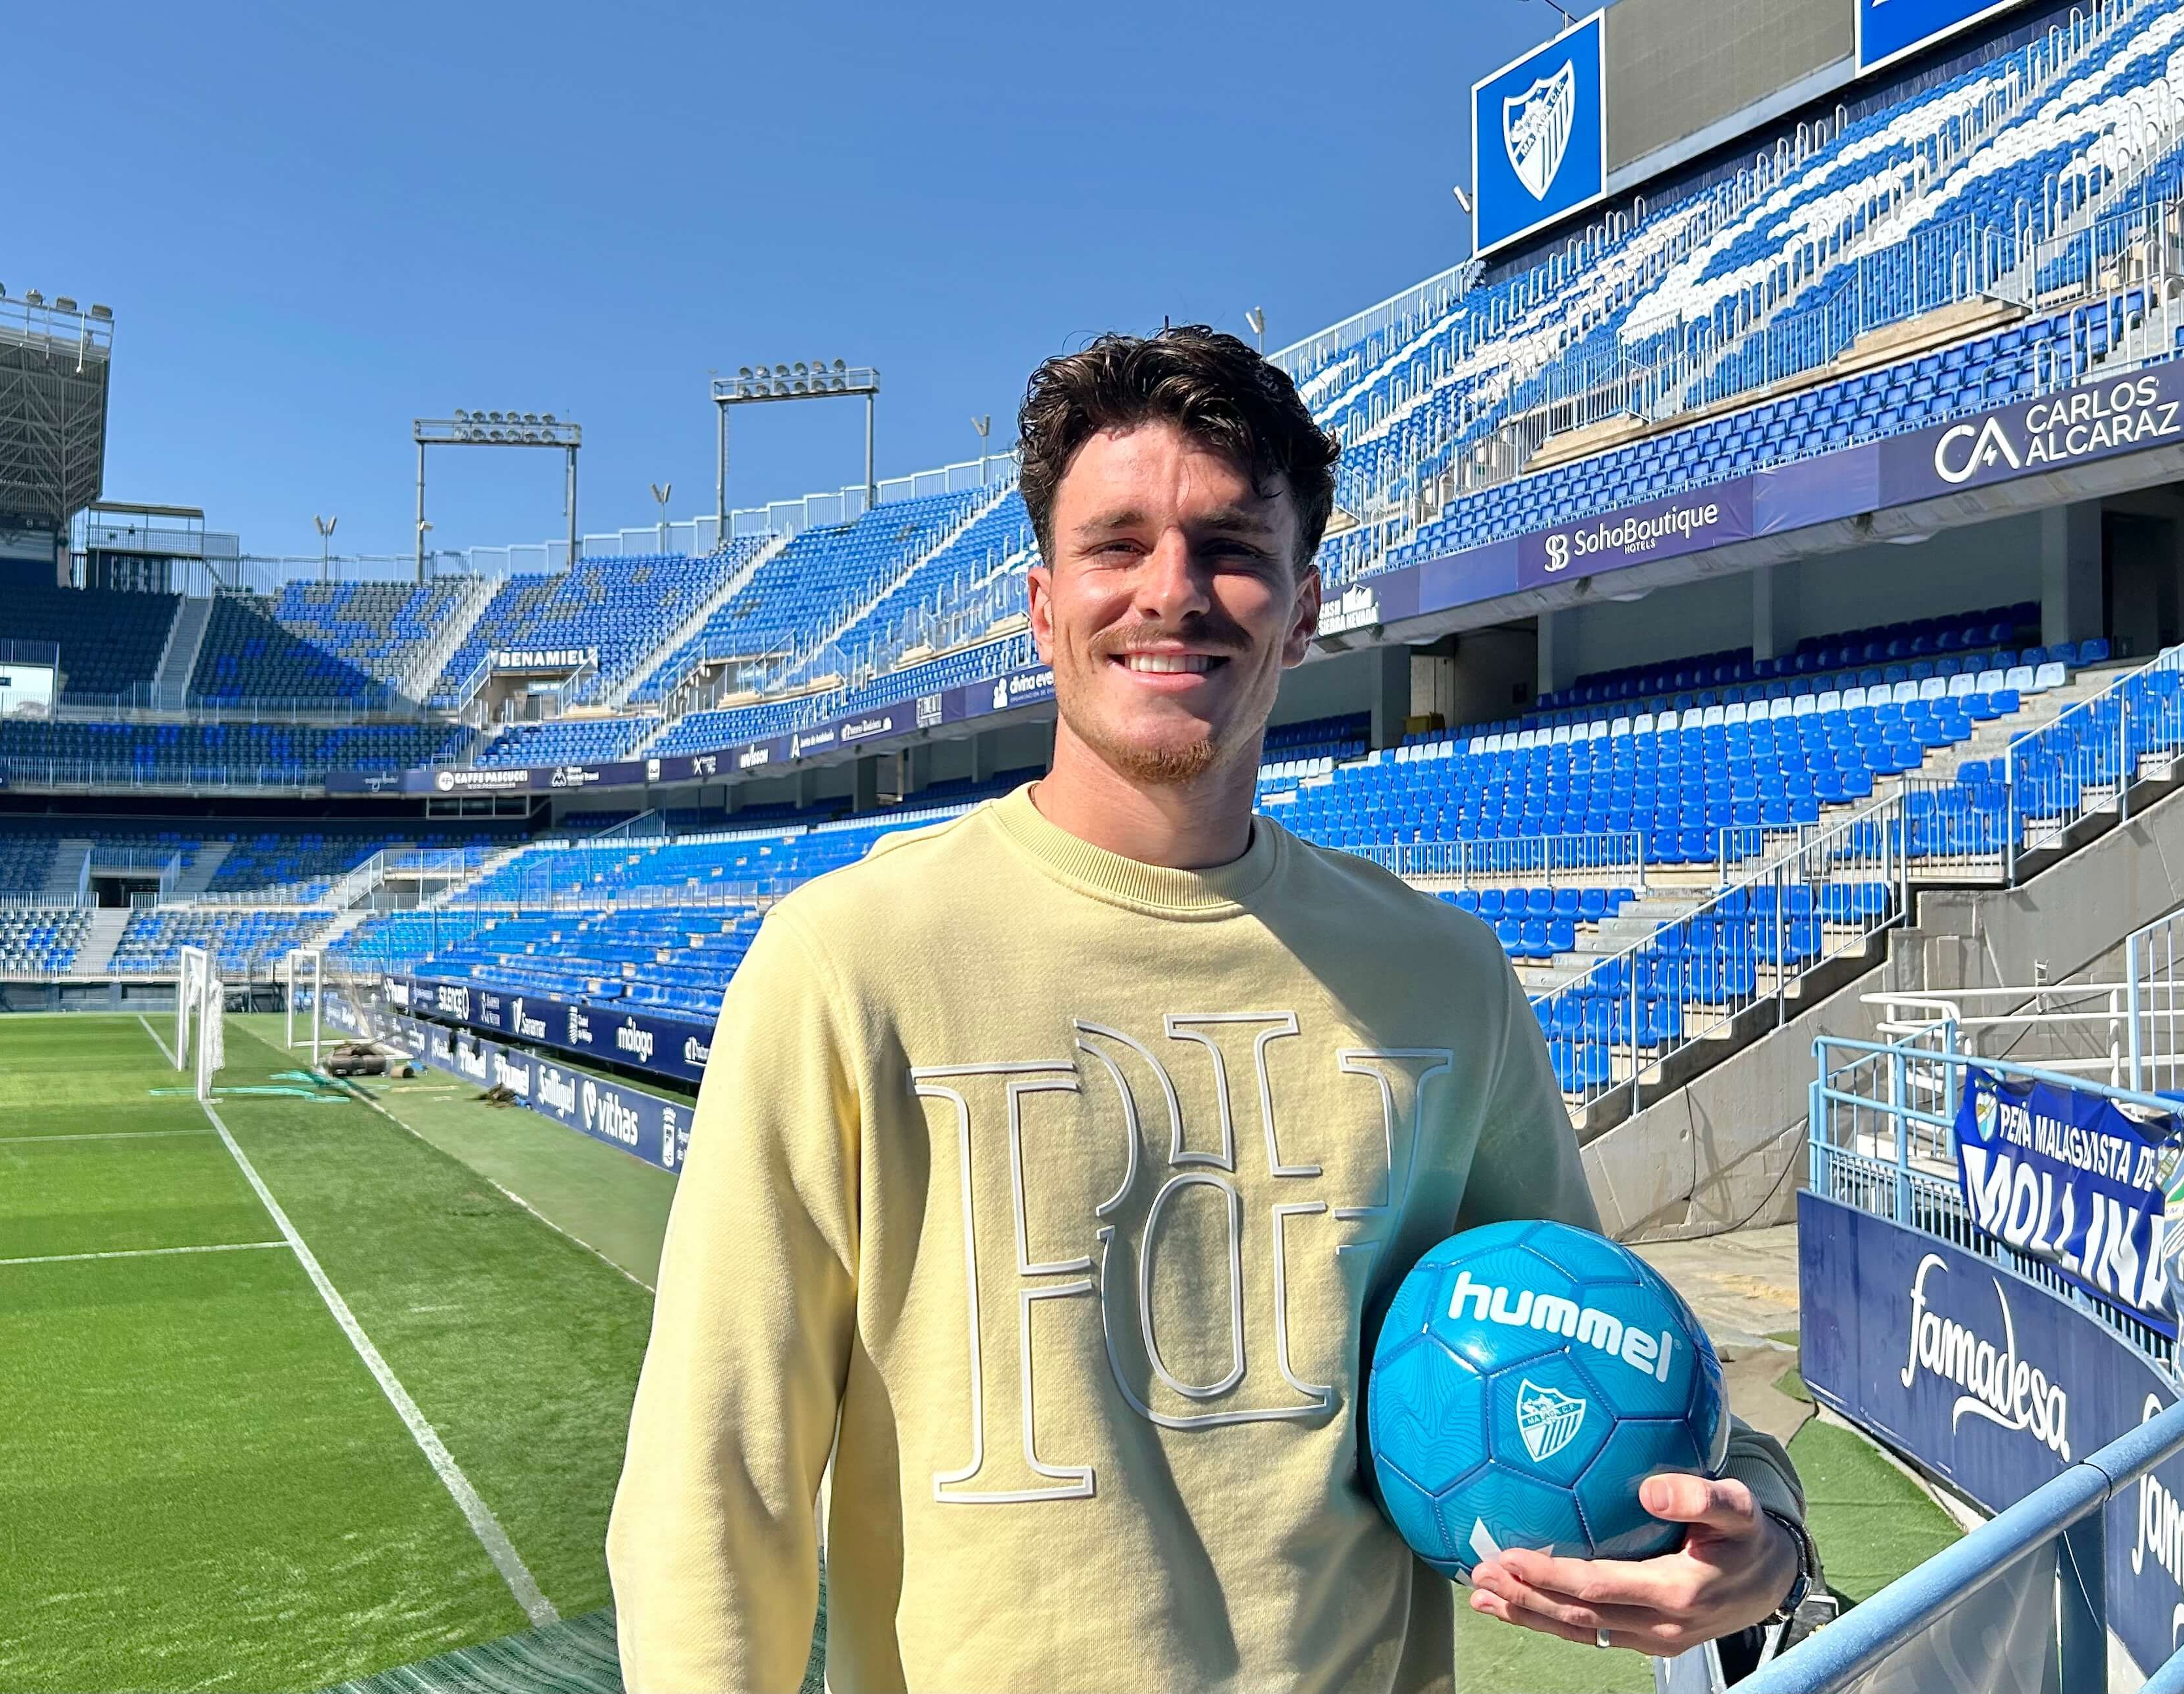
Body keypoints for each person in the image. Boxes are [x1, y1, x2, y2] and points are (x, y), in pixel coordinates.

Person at [608, 325, 1815, 1691]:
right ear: (1042, 603)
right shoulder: (845, 964)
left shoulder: (1443, 977)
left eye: (1231, 548)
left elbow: (1616, 1348)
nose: (1171, 592)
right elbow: (714, 1486)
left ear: (1303, 609)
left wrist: (1759, 1530)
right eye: (1116, 545)